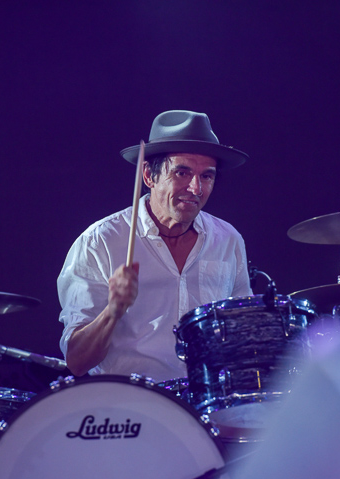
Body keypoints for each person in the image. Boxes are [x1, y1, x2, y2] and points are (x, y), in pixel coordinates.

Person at [58, 110, 253, 382]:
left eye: (207, 176)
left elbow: (243, 335)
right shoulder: (100, 242)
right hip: (130, 402)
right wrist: (112, 312)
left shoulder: (227, 239)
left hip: (206, 399)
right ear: (149, 175)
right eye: (182, 173)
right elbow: (77, 362)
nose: (196, 188)